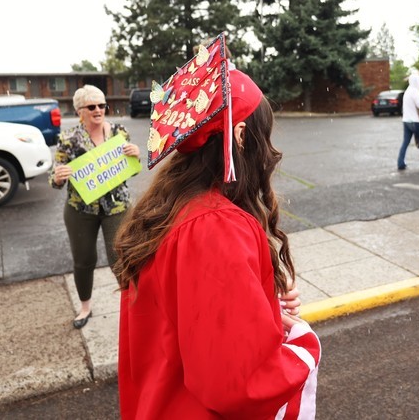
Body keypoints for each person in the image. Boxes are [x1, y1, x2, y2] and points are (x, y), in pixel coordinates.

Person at [113, 35, 320, 419]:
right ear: (240, 136)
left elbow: (184, 326)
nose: (270, 152)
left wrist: (263, 310)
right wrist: (302, 345)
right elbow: (241, 385)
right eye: (264, 137)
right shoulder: (216, 228)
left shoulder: (168, 208)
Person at [50, 84, 141, 329]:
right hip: (81, 210)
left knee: (121, 258)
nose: (98, 110)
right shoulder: (69, 138)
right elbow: (55, 178)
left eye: (102, 105)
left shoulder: (119, 132)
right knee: (84, 260)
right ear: (80, 111)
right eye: (92, 107)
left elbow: (130, 170)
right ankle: (85, 307)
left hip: (117, 207)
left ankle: (133, 306)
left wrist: (136, 156)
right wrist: (58, 177)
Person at [397, 71, 419, 169]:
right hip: (415, 121)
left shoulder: (407, 91)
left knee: (405, 142)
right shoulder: (415, 92)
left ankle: (400, 162)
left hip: (406, 120)